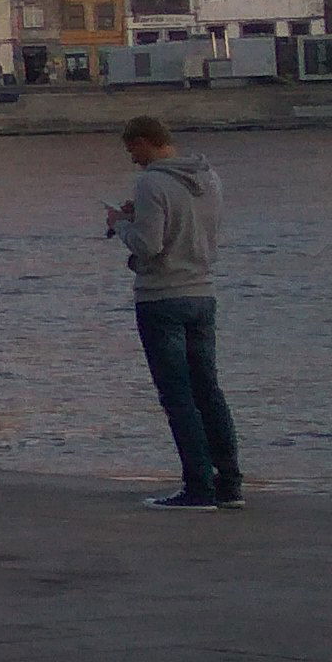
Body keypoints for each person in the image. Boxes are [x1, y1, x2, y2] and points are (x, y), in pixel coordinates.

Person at [106, 116, 240, 509]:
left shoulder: (152, 182)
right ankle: (229, 483)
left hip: (161, 298)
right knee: (208, 391)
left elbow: (148, 245)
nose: (133, 160)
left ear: (147, 142)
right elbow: (195, 230)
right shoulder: (209, 177)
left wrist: (120, 225)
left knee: (178, 396)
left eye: (133, 150)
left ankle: (198, 487)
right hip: (202, 292)